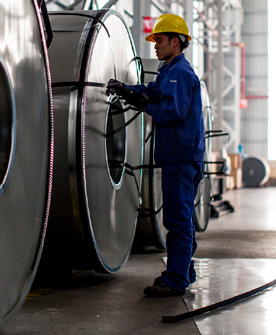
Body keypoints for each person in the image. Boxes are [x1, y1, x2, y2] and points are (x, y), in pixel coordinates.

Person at [106, 14, 205, 298]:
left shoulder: (180, 74)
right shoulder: (169, 72)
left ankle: (175, 280)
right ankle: (184, 270)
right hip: (181, 156)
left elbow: (173, 111)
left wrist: (147, 107)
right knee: (181, 217)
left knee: (177, 219)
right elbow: (150, 93)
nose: (155, 46)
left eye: (159, 40)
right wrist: (127, 91)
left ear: (176, 41)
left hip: (181, 157)